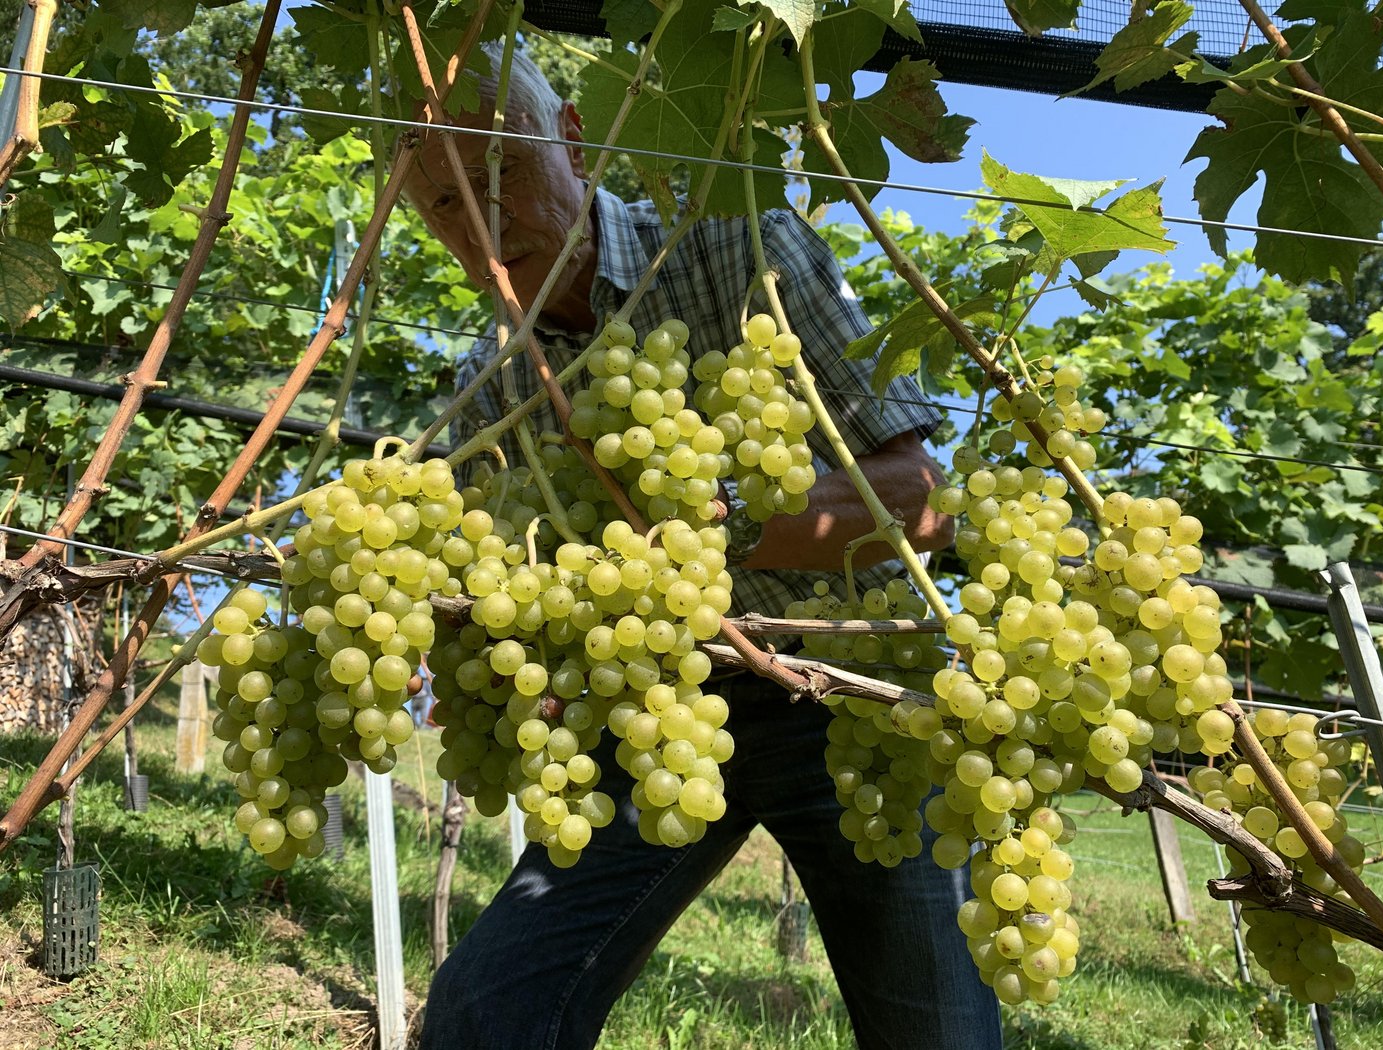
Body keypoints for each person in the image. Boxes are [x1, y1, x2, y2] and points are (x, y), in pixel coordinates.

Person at [403, 45, 1003, 1050]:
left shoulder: (735, 243)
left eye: (500, 168)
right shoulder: (490, 389)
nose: (481, 219)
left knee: (937, 1037)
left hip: (851, 694)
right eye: (441, 202)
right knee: (483, 1013)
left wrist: (701, 536)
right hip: (654, 706)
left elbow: (920, 503)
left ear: (574, 141)